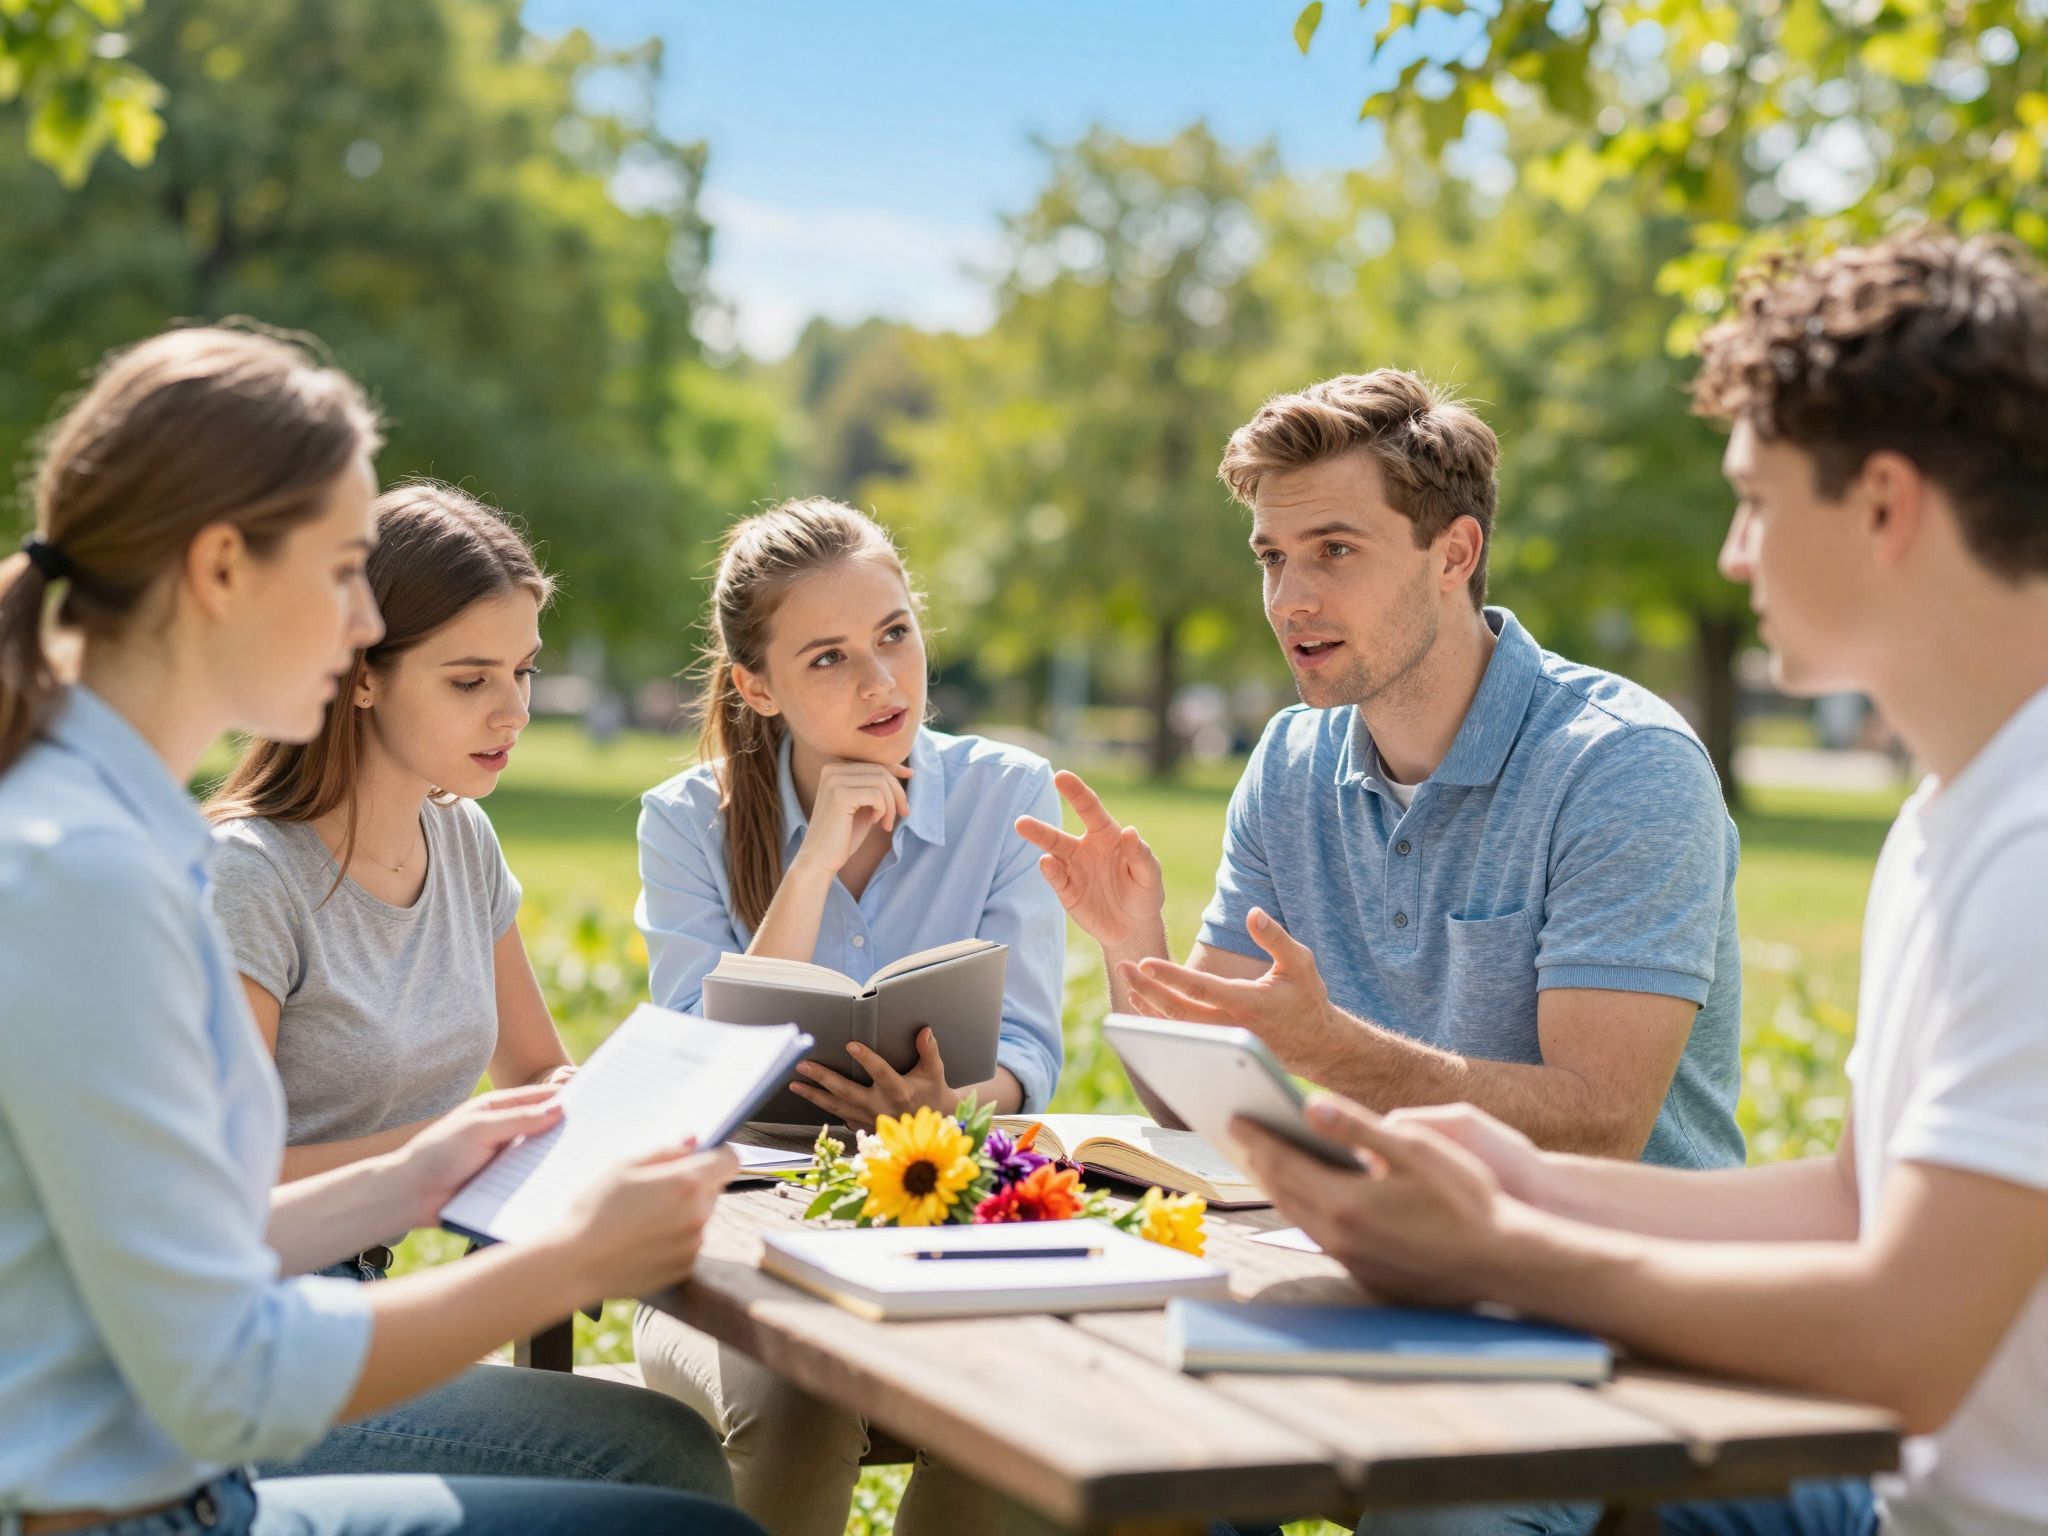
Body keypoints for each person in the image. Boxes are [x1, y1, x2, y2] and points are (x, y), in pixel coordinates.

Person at [1230, 227, 2048, 1536]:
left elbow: (1907, 1343)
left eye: (1760, 500)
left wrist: (1505, 1251)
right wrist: (1511, 1182)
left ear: (1885, 505)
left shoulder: (2033, 853)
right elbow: (1851, 1204)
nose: (1732, 554)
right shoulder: (1950, 820)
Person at [0, 324, 759, 1536]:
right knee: (681, 1523)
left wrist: (413, 1177)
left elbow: (194, 1239)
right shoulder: (89, 867)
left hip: (180, 1482)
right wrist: (566, 1266)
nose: (362, 621)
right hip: (147, 1508)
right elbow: (218, 1372)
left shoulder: (109, 832)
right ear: (220, 568)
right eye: (347, 567)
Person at [1021, 369, 1745, 1175]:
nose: (1289, 599)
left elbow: (1600, 1123)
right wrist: (1131, 940)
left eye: (1335, 550)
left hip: (1618, 1275)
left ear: (1454, 554)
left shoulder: (1622, 764)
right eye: (1272, 557)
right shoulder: (1290, 763)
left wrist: (1332, 1050)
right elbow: (1193, 1098)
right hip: (1390, 1244)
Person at [201, 480, 728, 1490]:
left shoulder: (463, 840)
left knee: (671, 1449)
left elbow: (539, 1070)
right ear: (359, 673)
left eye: (524, 671)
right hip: (245, 1338)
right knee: (662, 1456)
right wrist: (435, 1153)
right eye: (469, 679)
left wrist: (642, 1114)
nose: (514, 710)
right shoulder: (250, 877)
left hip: (367, 1304)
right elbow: (218, 1190)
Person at [630, 497, 1066, 1536]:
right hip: (723, 1258)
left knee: (1023, 1405)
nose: (880, 681)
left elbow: (1027, 1050)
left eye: (894, 634)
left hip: (933, 1227)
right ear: (756, 686)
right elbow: (699, 1069)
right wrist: (813, 861)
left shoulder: (1010, 792)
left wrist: (957, 1100)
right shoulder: (685, 820)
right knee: (798, 1398)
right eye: (826, 658)